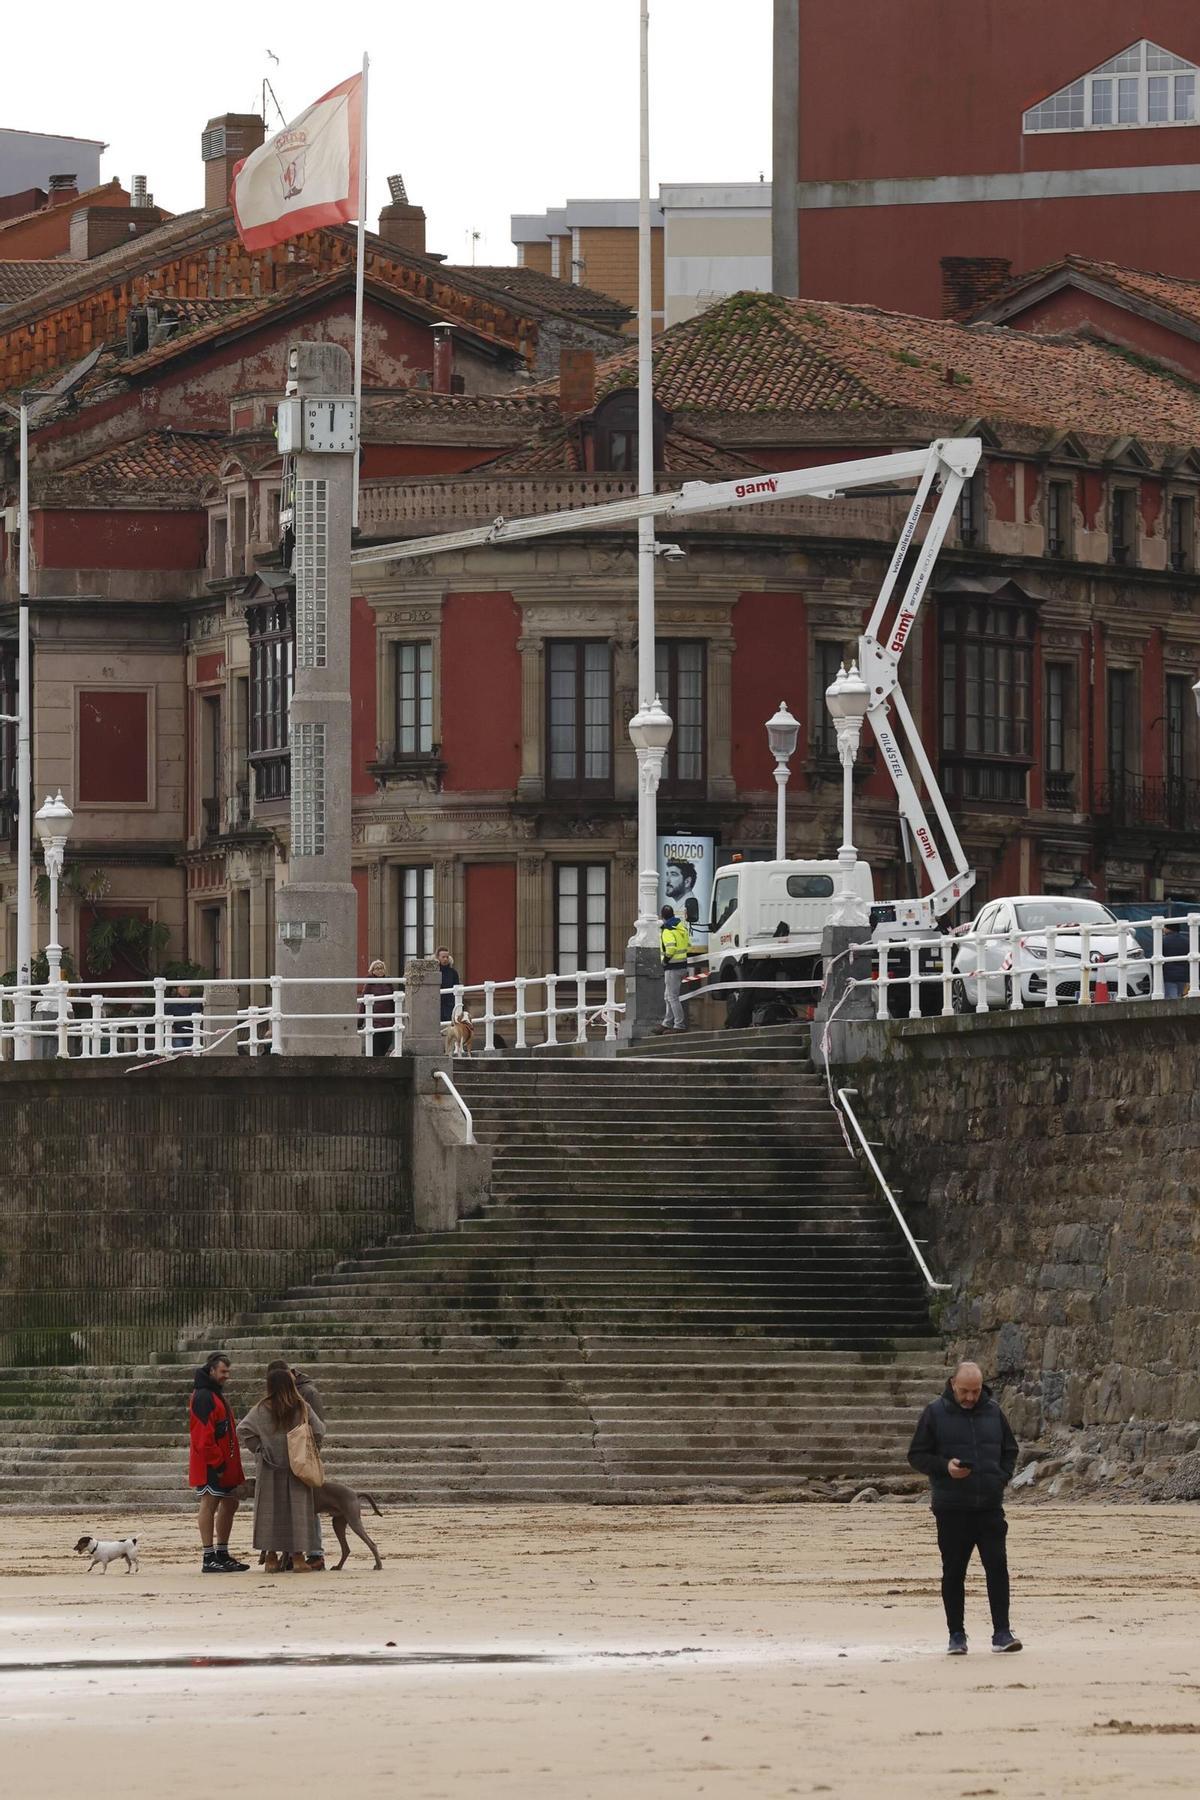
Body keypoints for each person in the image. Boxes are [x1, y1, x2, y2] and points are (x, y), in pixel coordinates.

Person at [908, 1360, 1022, 1655]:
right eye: (964, 1391)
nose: (970, 1397)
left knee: (997, 1568)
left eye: (975, 1391)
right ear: (952, 1385)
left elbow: (1010, 1451)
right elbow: (917, 1455)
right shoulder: (934, 1413)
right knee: (954, 1571)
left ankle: (1002, 1633)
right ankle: (956, 1635)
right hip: (951, 1507)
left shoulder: (994, 1412)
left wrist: (1000, 1478)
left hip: (989, 1506)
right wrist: (945, 1467)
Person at [237, 1365, 326, 1574]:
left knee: (269, 1512)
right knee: (297, 1511)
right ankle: (297, 1558)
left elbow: (243, 1429)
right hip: (297, 1467)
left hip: (269, 1468)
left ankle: (270, 1558)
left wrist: (259, 1449)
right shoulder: (301, 1407)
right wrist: (310, 1447)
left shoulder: (261, 1409)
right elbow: (320, 1430)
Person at [188, 1351, 248, 1575]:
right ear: (212, 1370)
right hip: (211, 1463)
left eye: (228, 1371)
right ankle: (208, 1555)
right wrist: (217, 1462)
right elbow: (203, 1436)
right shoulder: (204, 1396)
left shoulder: (213, 1394)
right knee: (209, 1504)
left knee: (230, 1503)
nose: (227, 1376)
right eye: (223, 1371)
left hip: (223, 1462)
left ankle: (221, 1553)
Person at [266, 1359, 327, 1570]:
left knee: (309, 1505)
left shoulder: (307, 1394)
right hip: (284, 1459)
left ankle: (315, 1552)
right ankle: (290, 1555)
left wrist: (311, 1453)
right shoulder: (276, 1399)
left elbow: (318, 1427)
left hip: (302, 1457)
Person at [655, 904, 691, 1034]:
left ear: (662, 916)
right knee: (668, 996)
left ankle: (679, 1025)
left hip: (672, 967)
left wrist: (665, 961)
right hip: (682, 965)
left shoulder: (667, 930)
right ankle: (667, 1023)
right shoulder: (681, 928)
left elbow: (670, 949)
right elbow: (688, 944)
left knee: (672, 997)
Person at [359, 959, 396, 1056]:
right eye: (377, 968)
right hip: (375, 1021)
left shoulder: (389, 983)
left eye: (382, 968)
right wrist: (360, 1020)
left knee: (387, 1042)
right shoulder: (369, 984)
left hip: (388, 1020)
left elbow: (393, 1002)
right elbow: (363, 1003)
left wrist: (396, 1017)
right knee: (376, 1047)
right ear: (372, 971)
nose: (380, 970)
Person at [665, 858, 700, 929]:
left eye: (673, 874)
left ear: (687, 881)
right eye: (667, 874)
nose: (667, 880)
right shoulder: (681, 906)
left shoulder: (692, 907)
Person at [436, 945, 461, 1025]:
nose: (445, 959)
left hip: (450, 1004)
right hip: (436, 1003)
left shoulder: (453, 972)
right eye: (443, 957)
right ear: (438, 957)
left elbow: (457, 987)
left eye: (447, 957)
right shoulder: (433, 973)